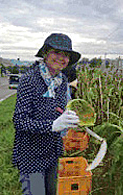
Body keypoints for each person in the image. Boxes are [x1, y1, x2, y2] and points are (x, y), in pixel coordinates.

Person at [12, 33, 81, 195]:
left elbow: (59, 109)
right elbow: (19, 121)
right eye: (56, 53)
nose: (61, 58)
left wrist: (69, 119)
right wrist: (53, 125)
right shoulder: (29, 80)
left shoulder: (62, 81)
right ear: (45, 53)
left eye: (66, 55)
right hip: (31, 154)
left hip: (52, 152)